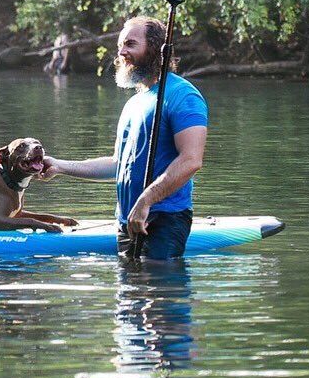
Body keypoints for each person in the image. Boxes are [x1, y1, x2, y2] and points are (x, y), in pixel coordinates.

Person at [40, 16, 208, 260]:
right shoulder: (134, 103)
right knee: (129, 297)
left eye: (130, 44)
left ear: (154, 48)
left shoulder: (183, 95)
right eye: (120, 45)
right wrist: (60, 166)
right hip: (127, 221)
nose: (121, 52)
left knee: (159, 293)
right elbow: (119, 164)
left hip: (163, 219)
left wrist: (145, 200)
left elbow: (191, 160)